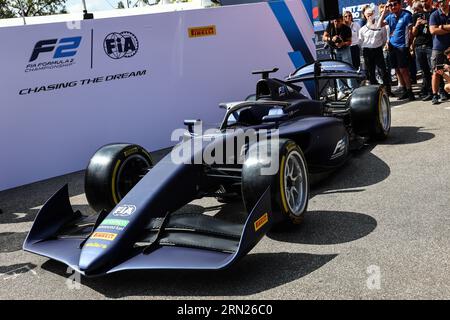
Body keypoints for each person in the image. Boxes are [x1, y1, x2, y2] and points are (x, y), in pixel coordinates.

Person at [378, 0, 416, 101]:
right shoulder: (390, 17)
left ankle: (410, 91)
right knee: (397, 70)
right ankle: (404, 91)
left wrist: (410, 45)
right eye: (390, 5)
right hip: (392, 46)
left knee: (404, 69)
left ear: (400, 5)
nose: (393, 6)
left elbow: (411, 31)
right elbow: (379, 25)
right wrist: (384, 11)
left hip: (402, 46)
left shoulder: (406, 15)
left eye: (395, 4)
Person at [359, 7, 393, 95]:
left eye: (371, 14)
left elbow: (384, 39)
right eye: (368, 15)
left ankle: (388, 91)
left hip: (378, 50)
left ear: (374, 14)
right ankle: (374, 93)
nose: (370, 16)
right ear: (365, 16)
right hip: (367, 52)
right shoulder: (362, 30)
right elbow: (360, 42)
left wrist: (378, 46)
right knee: (371, 73)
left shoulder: (381, 27)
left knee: (383, 71)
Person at [322, 15, 357, 99]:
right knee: (336, 70)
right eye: (335, 21)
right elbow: (324, 37)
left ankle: (352, 90)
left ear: (342, 21)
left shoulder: (347, 28)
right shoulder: (330, 26)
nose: (336, 23)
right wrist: (331, 39)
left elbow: (349, 42)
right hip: (334, 50)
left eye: (338, 21)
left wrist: (342, 43)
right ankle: (341, 90)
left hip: (345, 49)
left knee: (348, 68)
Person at [429, 0, 450, 104]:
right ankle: (435, 95)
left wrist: (441, 27)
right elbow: (433, 30)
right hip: (438, 47)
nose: (441, 3)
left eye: (443, 0)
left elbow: (437, 29)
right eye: (439, 1)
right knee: (436, 72)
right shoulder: (434, 14)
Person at [412, 0, 434, 100]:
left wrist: (426, 23)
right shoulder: (416, 16)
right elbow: (413, 33)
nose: (416, 12)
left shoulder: (432, 14)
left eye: (417, 10)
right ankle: (428, 91)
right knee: (424, 71)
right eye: (415, 10)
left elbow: (433, 30)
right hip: (419, 46)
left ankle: (438, 91)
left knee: (434, 69)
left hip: (430, 45)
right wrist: (417, 24)